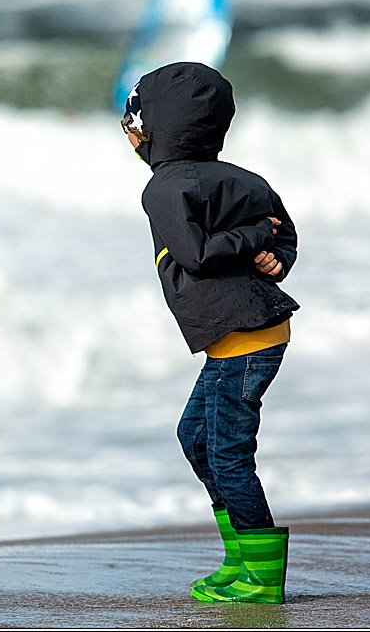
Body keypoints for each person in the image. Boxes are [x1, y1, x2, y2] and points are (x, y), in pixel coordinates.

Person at [120, 62, 299, 604]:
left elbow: (195, 256)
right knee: (194, 437)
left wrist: (255, 243)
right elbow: (284, 234)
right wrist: (277, 258)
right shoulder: (245, 179)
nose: (130, 134)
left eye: (135, 123)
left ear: (159, 129)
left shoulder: (164, 190)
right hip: (241, 332)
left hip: (246, 337)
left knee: (227, 452)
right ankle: (239, 556)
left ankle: (263, 576)